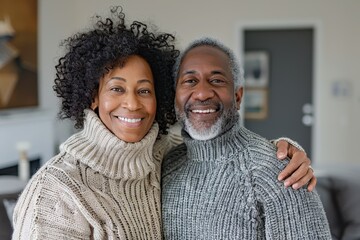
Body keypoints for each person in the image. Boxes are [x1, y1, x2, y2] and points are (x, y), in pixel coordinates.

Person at [12, 7, 314, 239]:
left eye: (144, 90)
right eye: (117, 88)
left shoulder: (164, 156)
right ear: (93, 97)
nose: (132, 103)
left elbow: (219, 153)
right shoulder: (54, 190)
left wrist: (280, 152)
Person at [161, 37, 331, 239]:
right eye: (190, 81)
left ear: (238, 96)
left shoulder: (281, 172)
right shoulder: (165, 164)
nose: (202, 93)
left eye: (216, 80)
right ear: (175, 98)